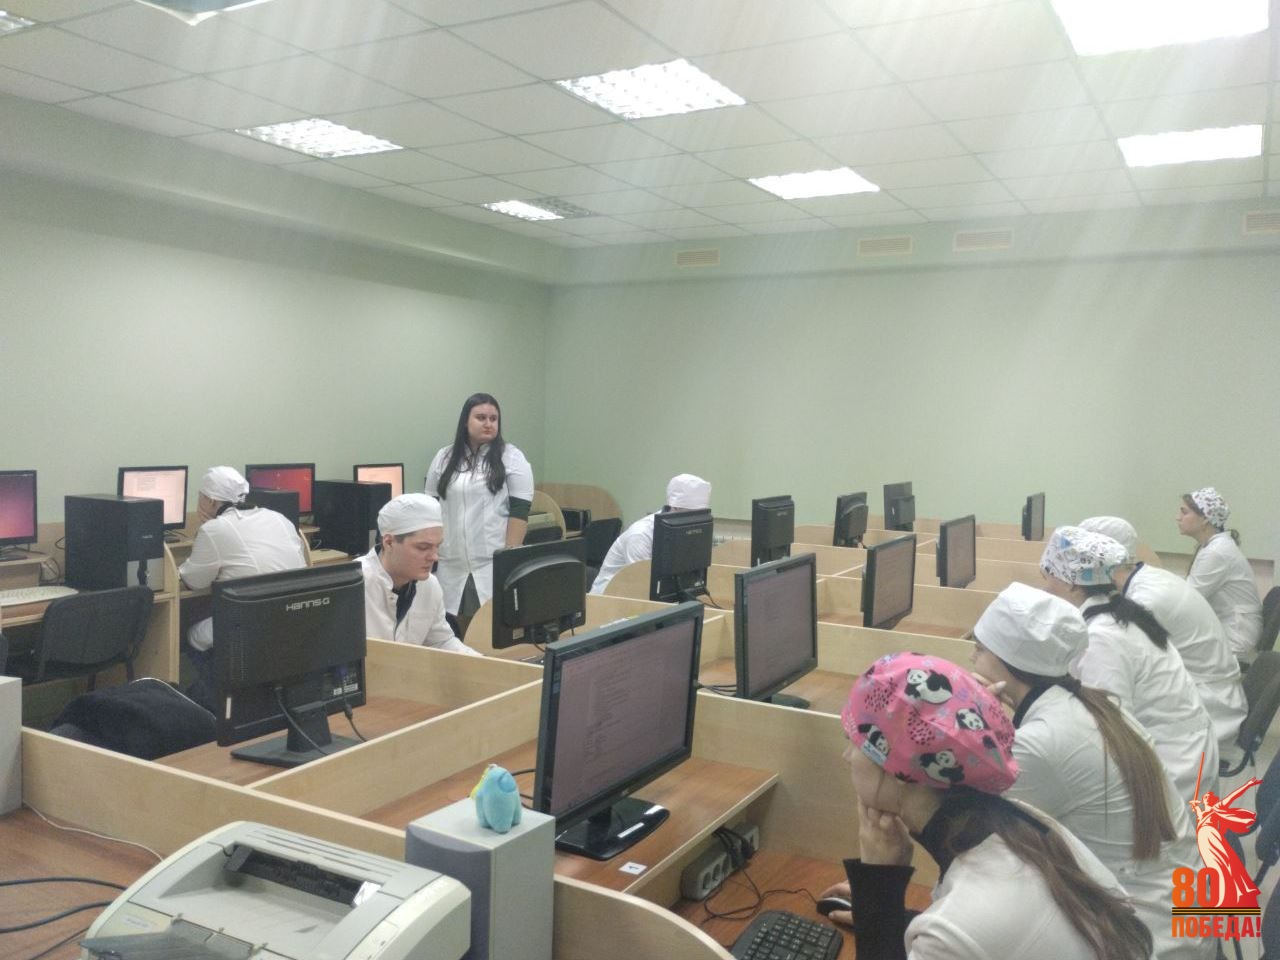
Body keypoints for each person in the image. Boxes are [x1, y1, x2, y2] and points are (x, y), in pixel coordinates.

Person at [822, 652, 1152, 960]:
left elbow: (969, 931)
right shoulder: (1024, 822)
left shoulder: (953, 929)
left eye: (853, 741)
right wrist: (895, 918)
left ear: (899, 771)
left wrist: (880, 892)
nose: (846, 756)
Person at [971, 582, 1211, 960]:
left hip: (1148, 938)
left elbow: (970, 826)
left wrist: (976, 716)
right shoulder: (1088, 703)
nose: (972, 658)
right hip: (1178, 912)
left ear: (1007, 663)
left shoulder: (1044, 742)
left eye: (979, 649)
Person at [1040, 525, 1219, 804]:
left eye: (1047, 577)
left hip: (1173, 762)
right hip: (1178, 746)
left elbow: (1107, 730)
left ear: (1072, 583)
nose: (1044, 587)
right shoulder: (1118, 613)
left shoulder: (1102, 638)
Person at [1080, 516, 1245, 756]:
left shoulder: (1146, 600)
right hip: (1206, 693)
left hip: (1207, 711)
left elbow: (1112, 659)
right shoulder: (1148, 577)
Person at [178, 466, 306, 707]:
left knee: (191, 634)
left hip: (250, 628)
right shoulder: (278, 518)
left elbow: (193, 581)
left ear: (211, 500)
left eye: (200, 497)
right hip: (290, 623)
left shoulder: (216, 529)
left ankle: (218, 701)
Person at [425, 393, 534, 623]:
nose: (488, 423)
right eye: (481, 417)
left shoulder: (511, 457)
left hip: (490, 564)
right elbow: (430, 508)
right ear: (466, 421)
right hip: (450, 563)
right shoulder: (444, 457)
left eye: (493, 419)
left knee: (486, 628)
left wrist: (508, 563)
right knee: (453, 627)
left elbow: (519, 512)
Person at [360, 494, 481, 654]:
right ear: (389, 542)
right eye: (423, 548)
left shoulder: (429, 585)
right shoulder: (355, 586)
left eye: (437, 547)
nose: (434, 557)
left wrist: (483, 662)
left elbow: (440, 641)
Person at [589, 473, 712, 595]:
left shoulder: (684, 532)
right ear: (675, 508)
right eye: (693, 514)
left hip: (647, 596)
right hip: (609, 598)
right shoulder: (640, 535)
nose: (697, 521)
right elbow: (641, 583)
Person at [1178, 487, 1263, 662]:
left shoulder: (1216, 552)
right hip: (1231, 630)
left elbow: (1188, 600)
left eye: (1184, 512)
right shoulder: (1213, 546)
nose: (1178, 517)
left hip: (1235, 638)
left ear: (1205, 519)